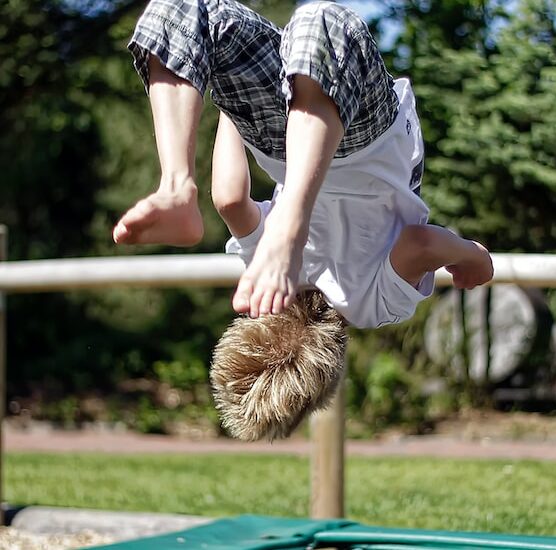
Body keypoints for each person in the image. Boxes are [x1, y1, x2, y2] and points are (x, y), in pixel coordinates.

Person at [113, 0, 494, 439]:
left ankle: (200, 188)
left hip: (365, 146)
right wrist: (234, 105)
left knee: (323, 24)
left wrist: (472, 255)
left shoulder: (369, 306)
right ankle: (177, 184)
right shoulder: (264, 267)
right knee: (186, 13)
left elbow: (421, 245)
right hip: (286, 144)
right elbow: (230, 200)